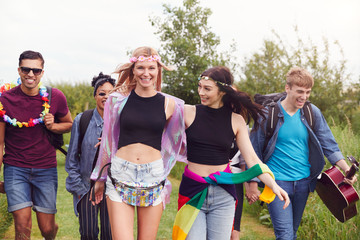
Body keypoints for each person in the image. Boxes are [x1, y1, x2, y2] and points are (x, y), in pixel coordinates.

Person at [173, 66, 290, 240]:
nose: (201, 92)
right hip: (193, 190)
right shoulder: (188, 112)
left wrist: (273, 184)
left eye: (207, 89)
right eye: (199, 87)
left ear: (222, 91)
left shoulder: (236, 120)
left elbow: (251, 159)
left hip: (223, 194)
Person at [250, 67, 357, 239]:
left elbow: (329, 144)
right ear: (287, 88)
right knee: (285, 234)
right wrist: (252, 183)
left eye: (307, 92)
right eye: (300, 91)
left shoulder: (311, 112)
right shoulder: (268, 114)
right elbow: (253, 150)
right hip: (277, 182)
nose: (304, 96)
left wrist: (346, 169)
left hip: (303, 183)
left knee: (292, 233)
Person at [90, 46, 186, 240]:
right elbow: (108, 142)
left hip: (153, 176)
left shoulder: (170, 105)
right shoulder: (117, 101)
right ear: (133, 70)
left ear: (158, 70)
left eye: (151, 68)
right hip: (120, 174)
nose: (146, 73)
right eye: (141, 67)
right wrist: (99, 179)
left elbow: (176, 141)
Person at [0, 50, 73, 240]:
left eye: (36, 70)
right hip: (15, 168)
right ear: (19, 70)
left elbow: (69, 124)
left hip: (45, 169)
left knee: (47, 229)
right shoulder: (4, 100)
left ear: (42, 71)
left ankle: (50, 233)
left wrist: (53, 125)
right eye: (26, 69)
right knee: (22, 225)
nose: (30, 74)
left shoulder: (55, 96)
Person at [65, 72, 115, 239]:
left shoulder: (121, 123)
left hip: (112, 188)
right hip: (86, 187)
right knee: (88, 233)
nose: (106, 97)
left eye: (111, 93)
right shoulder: (82, 120)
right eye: (102, 93)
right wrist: (80, 189)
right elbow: (72, 159)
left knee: (109, 234)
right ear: (95, 96)